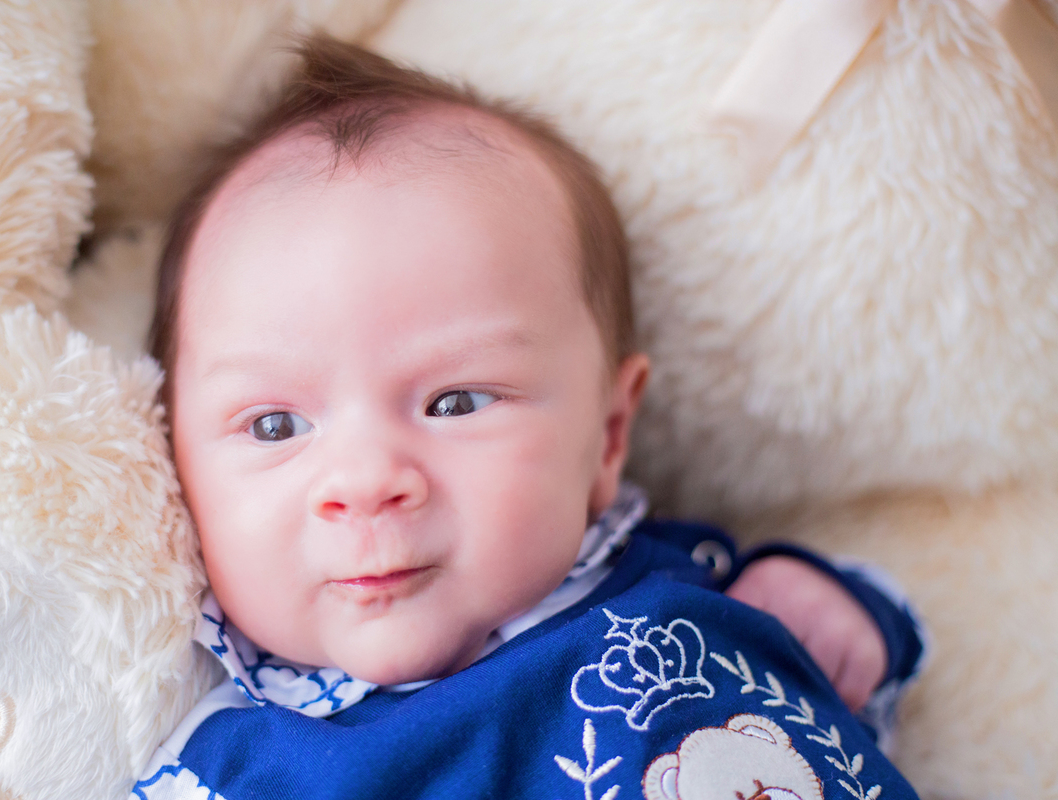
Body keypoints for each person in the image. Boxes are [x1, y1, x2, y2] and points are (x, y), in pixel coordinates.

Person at [133, 36, 923, 800]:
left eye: (457, 402)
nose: (365, 483)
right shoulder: (233, 766)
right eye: (275, 426)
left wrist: (829, 610)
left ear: (608, 436)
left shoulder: (684, 586)